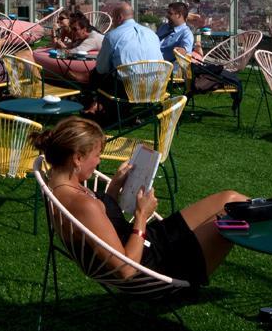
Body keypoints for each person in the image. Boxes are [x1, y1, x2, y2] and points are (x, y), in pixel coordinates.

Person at [37, 117, 245, 288]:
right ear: (77, 158)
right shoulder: (82, 204)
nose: (99, 161)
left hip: (149, 244)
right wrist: (141, 215)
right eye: (97, 155)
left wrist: (113, 189)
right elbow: (126, 270)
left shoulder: (58, 187)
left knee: (230, 198)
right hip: (156, 268)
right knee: (234, 215)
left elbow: (99, 227)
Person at [37, 12, 104, 84]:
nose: (73, 32)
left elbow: (72, 52)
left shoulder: (91, 40)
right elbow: (69, 47)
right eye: (72, 29)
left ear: (84, 29)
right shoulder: (83, 37)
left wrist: (54, 54)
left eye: (75, 29)